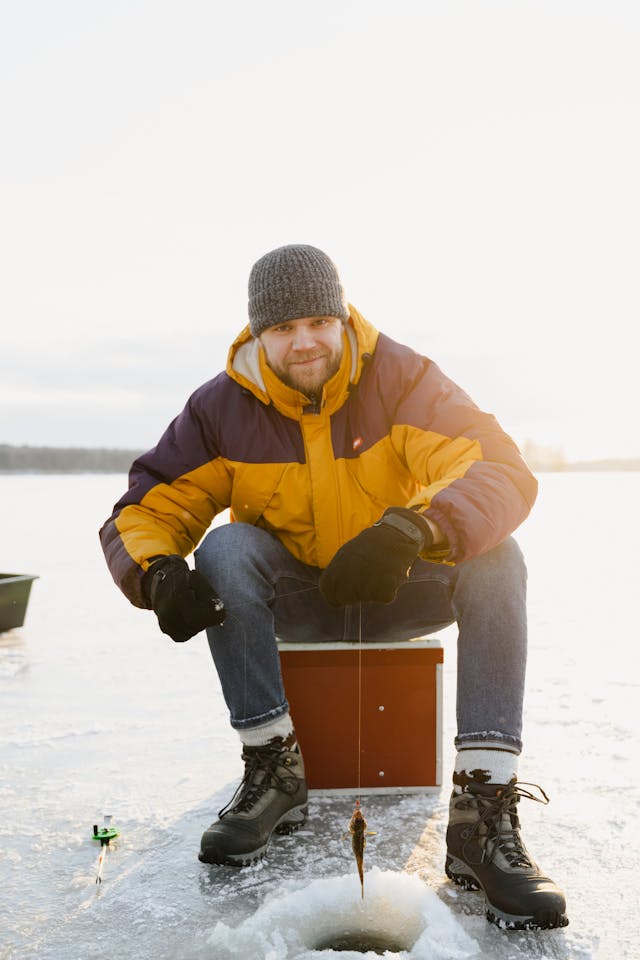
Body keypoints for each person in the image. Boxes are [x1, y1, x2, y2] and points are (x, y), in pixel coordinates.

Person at [99, 244, 568, 930]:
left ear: (342, 318)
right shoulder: (221, 408)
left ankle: (481, 809)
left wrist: (415, 529)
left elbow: (498, 468)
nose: (304, 342)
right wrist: (157, 572)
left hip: (396, 588)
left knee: (498, 553)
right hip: (295, 600)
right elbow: (148, 506)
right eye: (283, 328)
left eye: (318, 321)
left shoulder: (404, 380)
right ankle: (273, 769)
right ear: (258, 334)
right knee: (224, 546)